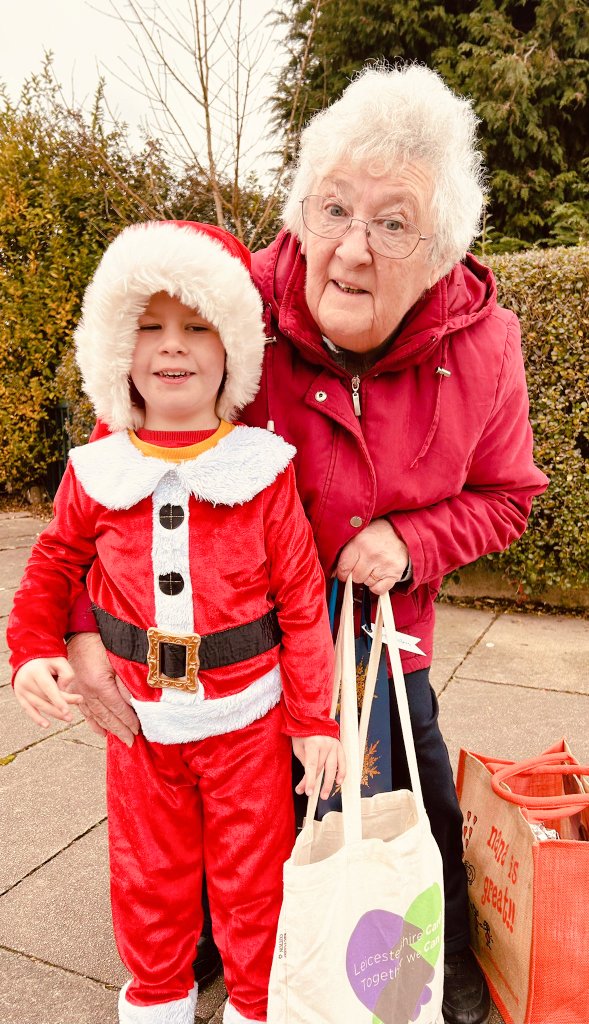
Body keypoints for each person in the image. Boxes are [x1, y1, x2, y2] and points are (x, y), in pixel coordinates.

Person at [63, 64, 549, 1024]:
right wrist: (81, 629)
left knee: (402, 809)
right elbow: (115, 476)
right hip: (225, 645)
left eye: (392, 222)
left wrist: (407, 540)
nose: (353, 250)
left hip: (369, 642)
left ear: (440, 248)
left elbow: (506, 498)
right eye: (332, 209)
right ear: (299, 211)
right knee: (223, 828)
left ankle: (424, 967)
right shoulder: (232, 313)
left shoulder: (484, 345)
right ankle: (217, 951)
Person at [7, 220, 345, 1024]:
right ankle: (155, 1000)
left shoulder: (262, 473)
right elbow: (54, 564)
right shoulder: (97, 469)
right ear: (117, 351)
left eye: (197, 326)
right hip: (141, 730)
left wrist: (312, 720)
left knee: (253, 880)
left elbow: (302, 603)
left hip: (247, 727)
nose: (173, 346)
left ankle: (256, 1006)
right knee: (148, 877)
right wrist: (30, 650)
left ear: (232, 349)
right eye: (150, 327)